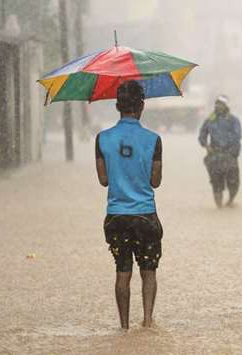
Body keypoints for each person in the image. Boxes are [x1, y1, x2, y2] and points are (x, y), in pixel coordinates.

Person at [95, 80, 163, 329]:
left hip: (116, 216)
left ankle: (123, 327)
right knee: (149, 271)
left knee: (122, 272)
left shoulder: (102, 139)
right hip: (145, 215)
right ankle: (146, 321)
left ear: (117, 106)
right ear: (142, 106)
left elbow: (103, 180)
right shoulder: (153, 140)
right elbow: (155, 181)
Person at [198, 95, 242, 208]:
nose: (218, 106)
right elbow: (202, 136)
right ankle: (219, 207)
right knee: (216, 183)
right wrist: (206, 146)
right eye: (217, 104)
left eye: (221, 104)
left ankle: (230, 201)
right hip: (214, 156)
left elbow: (237, 136)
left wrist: (232, 152)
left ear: (226, 106)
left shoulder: (233, 120)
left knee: (234, 183)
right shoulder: (209, 120)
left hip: (230, 155)